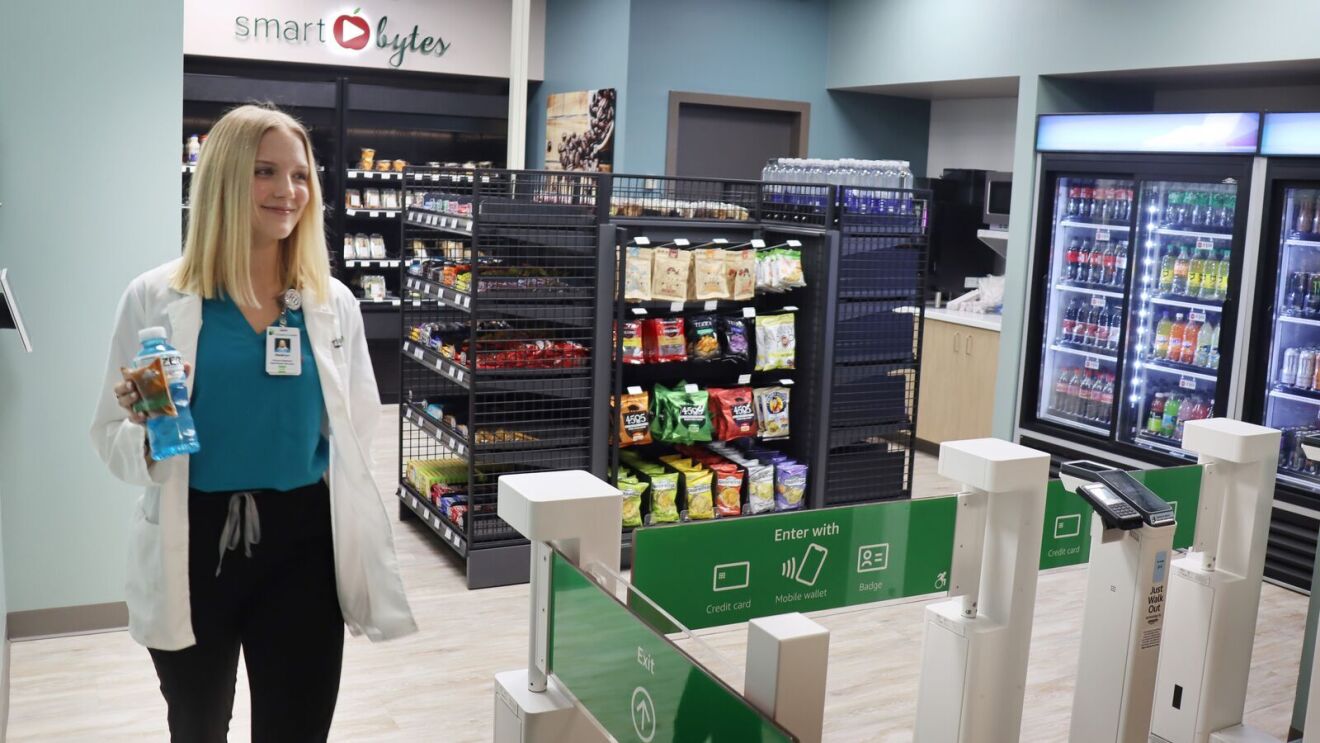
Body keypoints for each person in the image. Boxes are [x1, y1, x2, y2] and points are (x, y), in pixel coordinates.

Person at [90, 104, 416, 742]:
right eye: (264, 171)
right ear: (222, 180)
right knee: (198, 725)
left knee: (297, 728)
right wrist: (148, 433)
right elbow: (110, 434)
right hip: (194, 543)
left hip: (302, 546)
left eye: (299, 175)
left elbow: (356, 428)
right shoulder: (155, 298)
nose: (286, 191)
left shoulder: (330, 302)